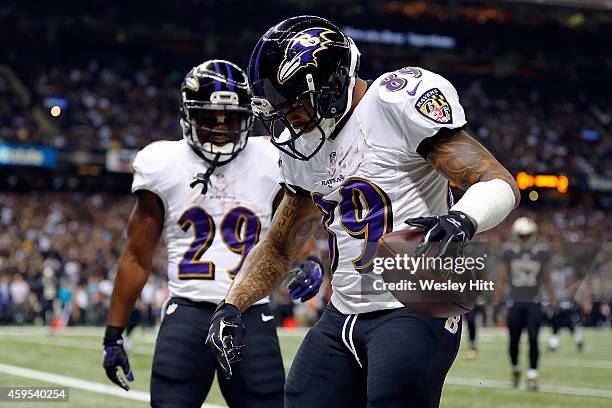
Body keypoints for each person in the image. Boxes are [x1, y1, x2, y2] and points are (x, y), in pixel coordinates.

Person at [206, 16, 520, 408]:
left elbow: (497, 181)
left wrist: (463, 217)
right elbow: (280, 244)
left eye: (296, 106)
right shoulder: (305, 149)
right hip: (344, 312)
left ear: (333, 83)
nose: (289, 121)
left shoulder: (394, 103)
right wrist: (231, 305)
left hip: (415, 302)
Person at [102, 60, 323, 408]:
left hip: (251, 310)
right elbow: (136, 256)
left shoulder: (271, 157)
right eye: (210, 118)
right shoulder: (162, 163)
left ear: (248, 116)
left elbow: (289, 227)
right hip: (188, 311)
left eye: (231, 118)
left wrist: (310, 258)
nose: (221, 129)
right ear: (189, 116)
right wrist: (113, 335)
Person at [495, 216, 557, 391]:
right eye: (521, 235)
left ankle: (532, 374)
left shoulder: (542, 252)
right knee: (513, 340)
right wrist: (497, 301)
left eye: (527, 235)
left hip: (534, 301)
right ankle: (515, 369)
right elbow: (503, 278)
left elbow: (546, 277)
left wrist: (553, 298)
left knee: (533, 338)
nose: (524, 238)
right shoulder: (508, 251)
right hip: (515, 301)